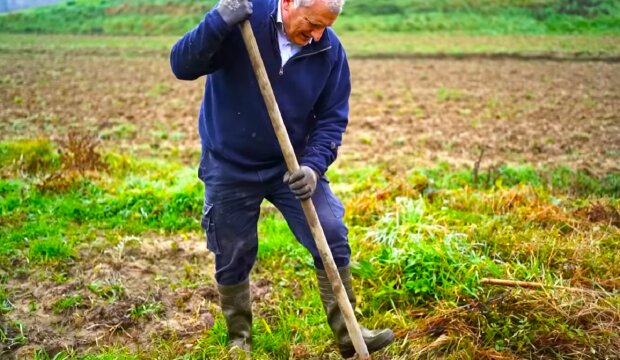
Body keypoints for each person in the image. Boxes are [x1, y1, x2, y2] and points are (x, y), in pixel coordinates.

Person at [170, 0, 394, 357]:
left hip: (290, 166)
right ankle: (239, 338)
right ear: (287, 3)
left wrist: (313, 167)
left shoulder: (329, 50)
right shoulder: (242, 20)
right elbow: (181, 65)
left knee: (331, 230)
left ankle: (350, 334)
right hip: (229, 163)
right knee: (233, 249)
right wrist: (217, 20)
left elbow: (332, 119)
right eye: (311, 23)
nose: (317, 35)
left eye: (325, 26)